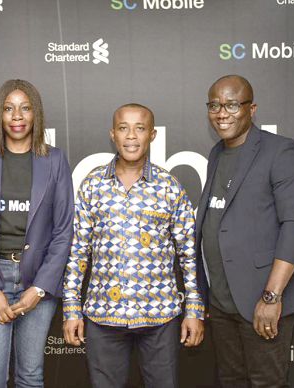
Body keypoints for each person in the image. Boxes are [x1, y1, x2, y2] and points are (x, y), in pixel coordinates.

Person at [63, 103, 205, 388]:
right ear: (112, 134)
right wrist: (71, 308)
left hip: (160, 317)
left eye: (139, 128)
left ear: (152, 135)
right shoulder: (92, 185)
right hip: (103, 317)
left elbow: (189, 254)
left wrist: (194, 310)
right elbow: (78, 251)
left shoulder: (169, 186)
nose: (131, 136)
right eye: (123, 128)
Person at [196, 74, 294, 387]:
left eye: (232, 105)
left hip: (262, 299)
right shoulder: (217, 154)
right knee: (231, 380)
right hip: (221, 302)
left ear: (252, 108)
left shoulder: (281, 151)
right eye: (215, 105)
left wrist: (271, 297)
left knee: (266, 383)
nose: (222, 113)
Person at [0, 79, 74, 388]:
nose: (17, 116)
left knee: (30, 376)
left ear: (35, 114)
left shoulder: (55, 161)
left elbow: (63, 230)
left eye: (25, 108)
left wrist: (38, 289)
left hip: (36, 281)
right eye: (8, 109)